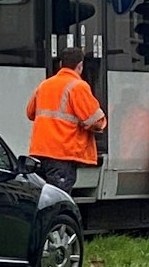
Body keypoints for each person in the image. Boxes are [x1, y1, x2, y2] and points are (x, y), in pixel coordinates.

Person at [25, 47, 107, 192]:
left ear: (61, 64)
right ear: (80, 66)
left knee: (46, 197)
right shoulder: (78, 86)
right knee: (59, 199)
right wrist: (101, 124)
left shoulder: (45, 85)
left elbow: (30, 113)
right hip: (63, 153)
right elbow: (95, 121)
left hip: (41, 152)